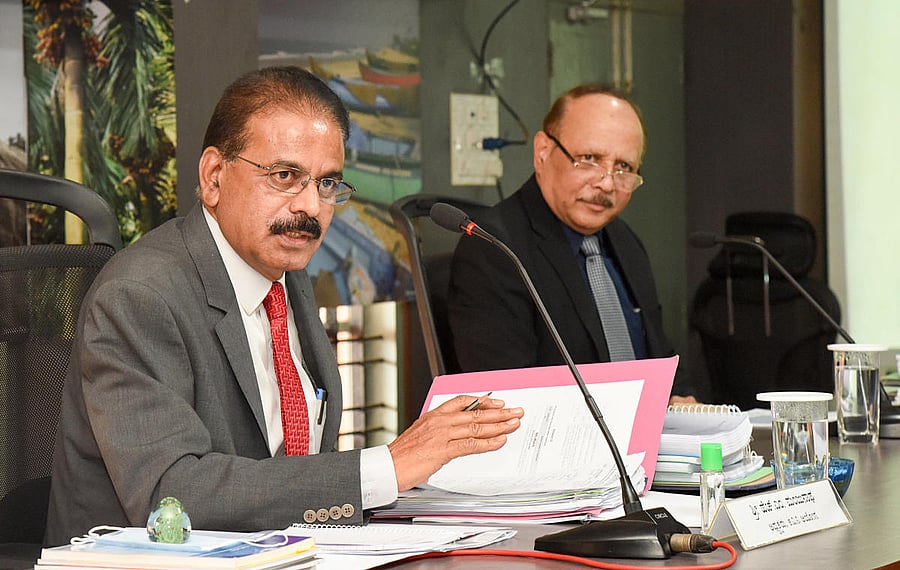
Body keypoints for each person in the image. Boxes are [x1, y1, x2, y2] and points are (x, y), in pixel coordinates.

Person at [45, 66, 523, 545]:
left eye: (327, 183)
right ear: (213, 177)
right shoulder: (139, 295)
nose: (311, 208)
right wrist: (383, 468)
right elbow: (172, 496)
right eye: (285, 176)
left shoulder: (285, 273)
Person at [447, 84, 697, 403]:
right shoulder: (494, 250)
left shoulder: (624, 242)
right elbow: (507, 401)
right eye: (589, 158)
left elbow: (660, 356)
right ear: (542, 152)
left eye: (624, 168)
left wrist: (685, 404)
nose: (606, 182)